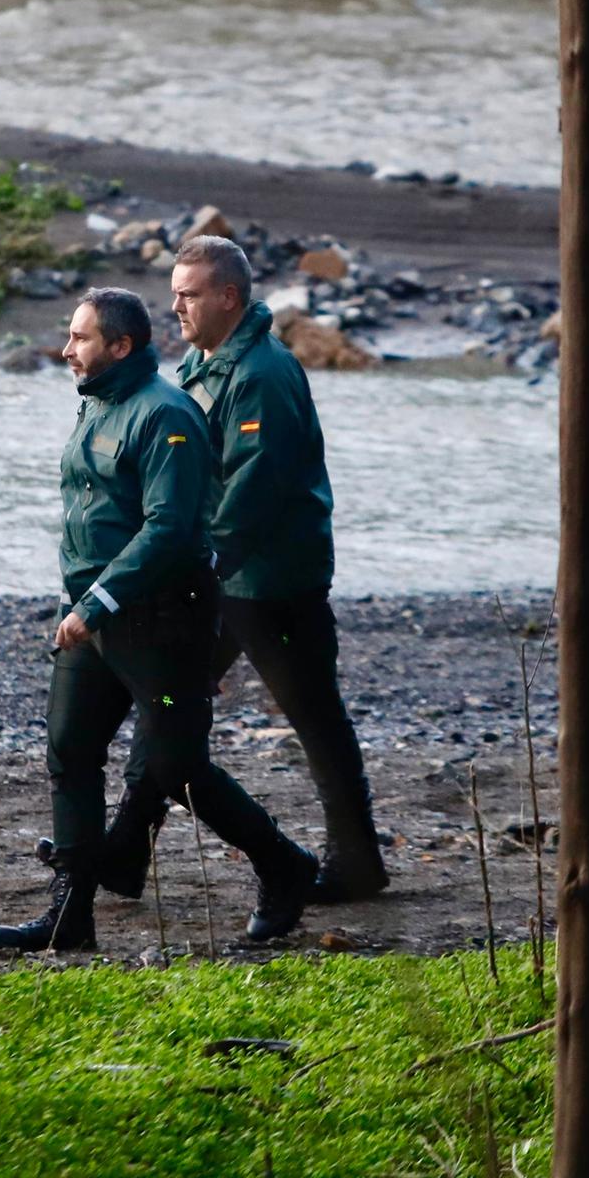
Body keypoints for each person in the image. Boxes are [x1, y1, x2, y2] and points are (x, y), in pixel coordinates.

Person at [0, 286, 317, 953]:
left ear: (120, 345)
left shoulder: (166, 416)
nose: (67, 349)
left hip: (164, 634)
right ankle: (69, 917)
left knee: (176, 768)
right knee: (71, 752)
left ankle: (285, 865)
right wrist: (81, 604)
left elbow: (168, 529)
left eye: (80, 338)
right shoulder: (96, 408)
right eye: (69, 336)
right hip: (92, 625)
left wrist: (100, 601)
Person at [99, 236, 389, 903]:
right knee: (170, 701)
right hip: (223, 579)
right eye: (173, 293)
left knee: (313, 715)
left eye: (189, 294)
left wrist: (191, 566)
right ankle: (123, 851)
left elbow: (253, 491)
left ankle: (357, 863)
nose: (175, 306)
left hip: (270, 582)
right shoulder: (207, 364)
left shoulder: (260, 373)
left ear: (228, 297)